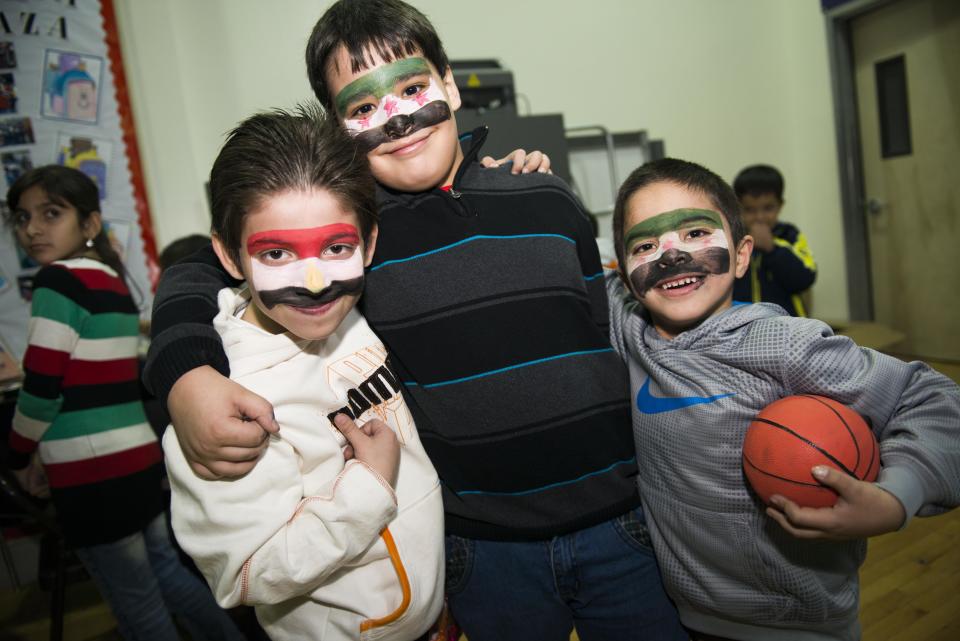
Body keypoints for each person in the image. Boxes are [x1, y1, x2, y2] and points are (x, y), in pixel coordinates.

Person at [142, 2, 686, 640]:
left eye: (412, 88)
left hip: (620, 520)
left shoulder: (544, 193)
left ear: (451, 84)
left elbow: (605, 330)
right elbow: (204, 272)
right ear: (338, 128)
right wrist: (185, 373)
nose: (397, 118)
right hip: (484, 549)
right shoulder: (355, 243)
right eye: (363, 106)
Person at [607, 157, 960, 641]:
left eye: (694, 233)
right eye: (646, 245)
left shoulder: (784, 344)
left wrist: (899, 496)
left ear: (741, 254)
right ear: (626, 277)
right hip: (684, 615)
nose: (671, 256)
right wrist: (511, 180)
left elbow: (934, 398)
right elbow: (559, 261)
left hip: (798, 623)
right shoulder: (632, 329)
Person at [160, 105, 444, 641]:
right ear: (229, 255)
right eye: (277, 254)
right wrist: (368, 486)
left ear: (369, 244)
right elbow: (241, 575)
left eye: (337, 248)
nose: (314, 283)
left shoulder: (353, 312)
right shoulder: (224, 403)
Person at [4, 165, 244, 641]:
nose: (32, 228)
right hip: (136, 461)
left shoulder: (57, 281)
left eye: (51, 213)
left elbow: (43, 385)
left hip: (91, 472)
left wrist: (17, 455)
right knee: (171, 579)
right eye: (22, 217)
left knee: (137, 606)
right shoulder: (111, 283)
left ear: (90, 224)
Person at [731, 164, 815, 317]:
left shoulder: (789, 234)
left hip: (788, 325)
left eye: (768, 208)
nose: (760, 217)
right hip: (743, 325)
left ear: (780, 205)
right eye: (749, 210)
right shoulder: (733, 239)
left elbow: (805, 278)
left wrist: (772, 249)